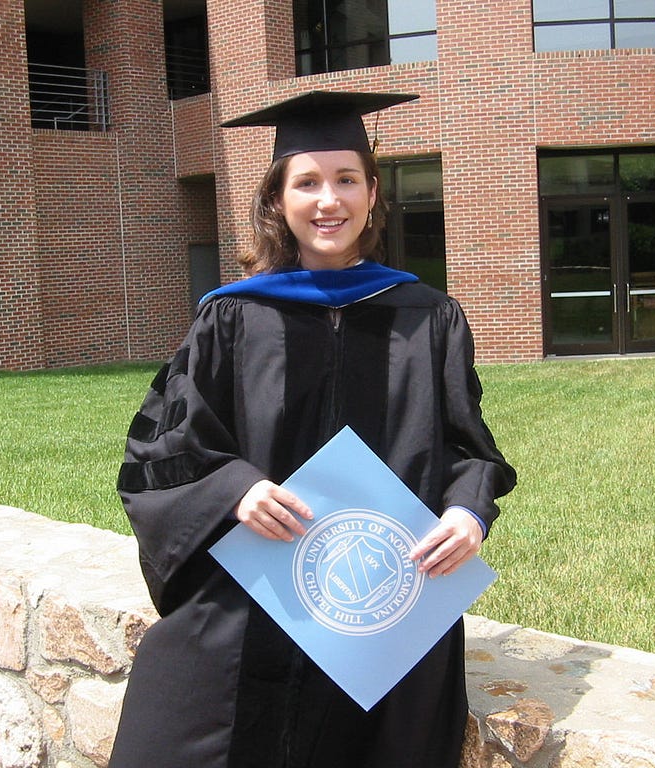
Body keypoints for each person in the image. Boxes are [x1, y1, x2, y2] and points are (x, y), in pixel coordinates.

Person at [109, 90, 517, 768]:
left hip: (381, 610)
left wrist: (468, 513)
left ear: (372, 191)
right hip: (257, 594)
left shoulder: (428, 317)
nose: (329, 199)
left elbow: (468, 448)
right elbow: (162, 450)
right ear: (278, 199)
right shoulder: (232, 319)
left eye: (346, 179)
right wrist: (235, 488)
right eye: (308, 182)